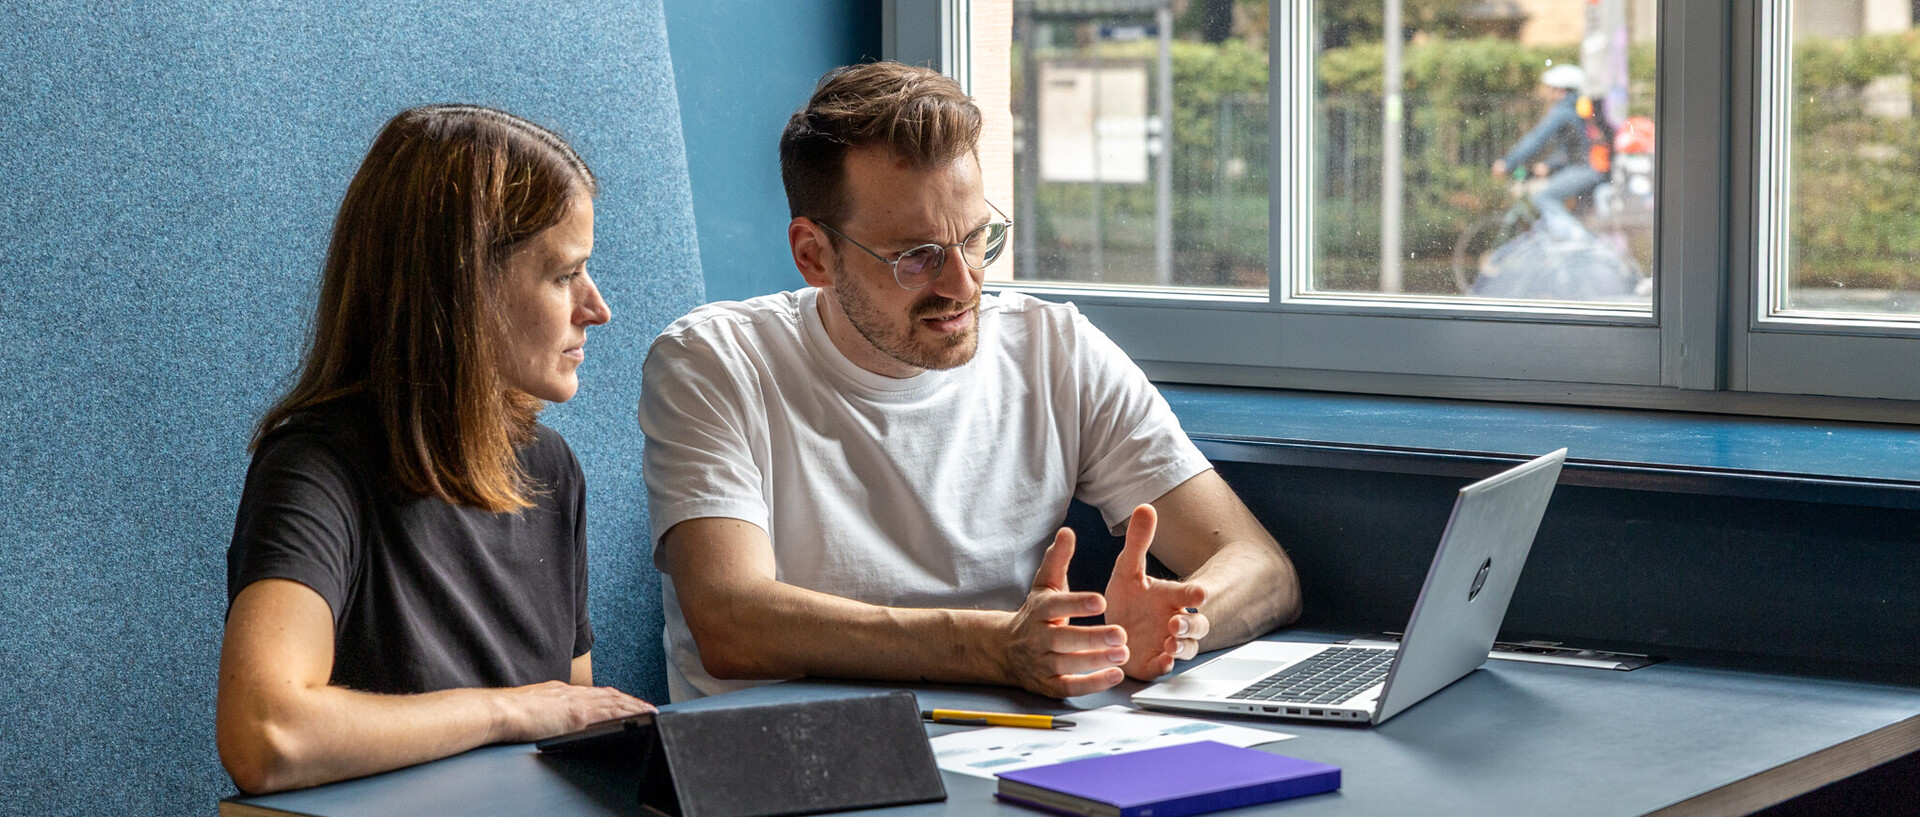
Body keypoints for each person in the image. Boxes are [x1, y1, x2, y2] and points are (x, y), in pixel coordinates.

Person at [639, 62, 1301, 703]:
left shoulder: (1053, 349)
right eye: (916, 257)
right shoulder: (716, 361)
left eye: (978, 238)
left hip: (1006, 742)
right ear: (815, 255)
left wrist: (1183, 622)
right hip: (786, 752)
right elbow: (731, 620)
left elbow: (1263, 568)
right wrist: (993, 648)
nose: (963, 285)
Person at [217, 104, 654, 794]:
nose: (596, 308)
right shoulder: (314, 470)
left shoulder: (552, 469)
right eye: (564, 275)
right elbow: (266, 734)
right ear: (465, 286)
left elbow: (572, 727)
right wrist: (510, 711)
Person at [1492, 64, 1606, 227]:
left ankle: (1576, 239)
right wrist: (1549, 165)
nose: (1550, 93)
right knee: (1579, 215)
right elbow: (1571, 148)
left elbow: (1536, 138)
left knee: (1543, 197)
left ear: (1562, 90)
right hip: (1590, 167)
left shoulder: (1563, 111)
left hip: (1585, 169)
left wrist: (1507, 162)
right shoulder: (1577, 110)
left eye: (1553, 89)